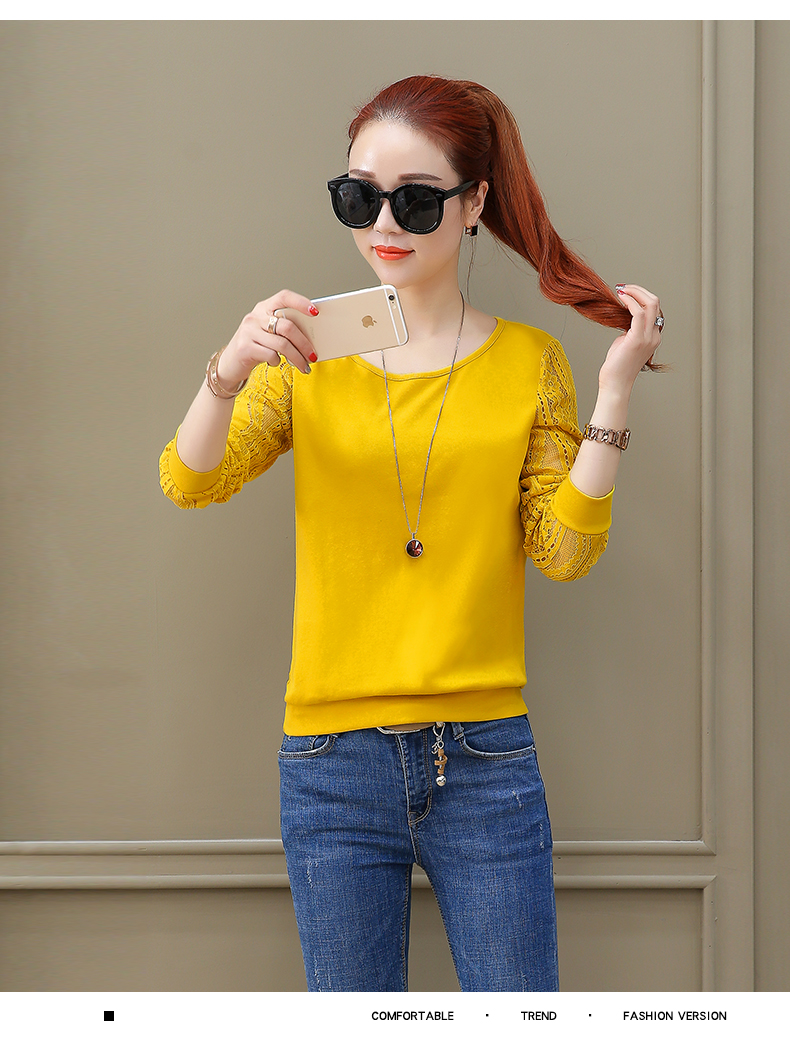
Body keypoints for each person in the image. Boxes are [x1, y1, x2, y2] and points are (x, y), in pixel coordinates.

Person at [159, 74, 663, 992]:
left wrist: (615, 394)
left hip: (486, 757)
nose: (383, 224)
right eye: (359, 197)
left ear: (472, 205)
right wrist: (227, 371)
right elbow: (192, 480)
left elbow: (564, 550)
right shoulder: (307, 353)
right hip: (330, 760)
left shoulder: (529, 361)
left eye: (417, 200)